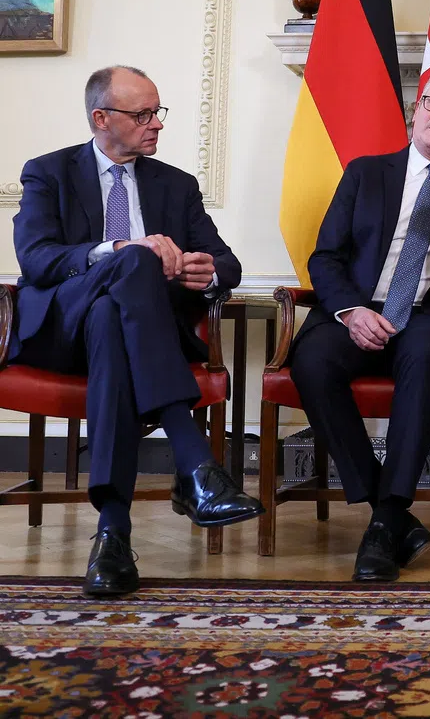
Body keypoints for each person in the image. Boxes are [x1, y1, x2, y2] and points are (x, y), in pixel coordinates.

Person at [12, 66, 262, 598]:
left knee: (111, 319)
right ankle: (195, 467)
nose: (156, 125)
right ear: (101, 118)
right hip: (61, 332)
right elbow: (35, 261)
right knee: (132, 264)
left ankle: (113, 535)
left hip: (123, 337)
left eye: (158, 112)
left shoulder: (175, 184)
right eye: (142, 114)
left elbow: (227, 262)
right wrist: (123, 252)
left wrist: (208, 272)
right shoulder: (47, 172)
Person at [290, 67, 430, 582]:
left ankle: (387, 519)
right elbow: (325, 257)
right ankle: (388, 515)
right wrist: (351, 310)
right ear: (416, 110)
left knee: (425, 352)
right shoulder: (366, 173)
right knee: (313, 360)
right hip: (359, 308)